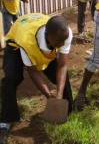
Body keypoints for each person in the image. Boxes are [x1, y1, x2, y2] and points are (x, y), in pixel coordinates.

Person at [0, 13, 73, 143]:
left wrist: (59, 96)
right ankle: (6, 121)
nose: (62, 44)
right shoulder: (26, 42)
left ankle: (69, 110)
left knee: (63, 76)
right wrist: (49, 97)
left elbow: (62, 65)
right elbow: (33, 71)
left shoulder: (63, 34)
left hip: (40, 37)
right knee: (11, 77)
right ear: (48, 35)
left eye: (64, 41)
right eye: (59, 42)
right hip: (16, 43)